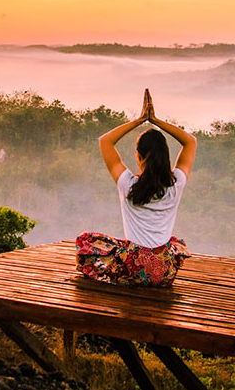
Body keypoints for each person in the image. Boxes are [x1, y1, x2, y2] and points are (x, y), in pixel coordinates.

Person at [76, 89, 197, 287]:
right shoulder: (176, 184)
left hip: (132, 269)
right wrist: (156, 120)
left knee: (86, 241)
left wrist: (140, 120)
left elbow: (105, 141)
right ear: (166, 157)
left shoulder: (128, 184)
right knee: (174, 243)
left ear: (139, 157)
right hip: (163, 273)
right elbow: (190, 141)